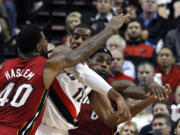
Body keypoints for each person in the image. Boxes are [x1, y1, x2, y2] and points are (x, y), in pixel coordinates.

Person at [0, 13, 130, 134]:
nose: (78, 41)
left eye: (84, 39)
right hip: (38, 128)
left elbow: (109, 120)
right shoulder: (57, 53)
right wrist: (110, 29)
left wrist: (127, 110)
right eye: (76, 36)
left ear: (92, 44)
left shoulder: (95, 81)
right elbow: (79, 68)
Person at [69, 47, 170, 135]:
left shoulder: (115, 86)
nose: (104, 64)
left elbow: (142, 91)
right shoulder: (70, 84)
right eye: (100, 60)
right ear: (88, 61)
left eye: (108, 63)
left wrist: (152, 86)